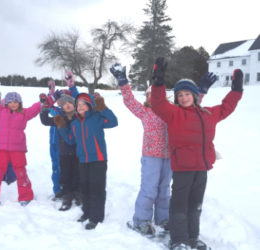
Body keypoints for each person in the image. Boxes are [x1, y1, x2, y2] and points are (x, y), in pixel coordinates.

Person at [150, 58, 243, 250]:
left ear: (194, 95)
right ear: (176, 98)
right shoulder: (173, 114)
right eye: (180, 95)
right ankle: (178, 240)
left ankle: (193, 238)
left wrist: (236, 90)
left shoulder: (208, 113)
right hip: (183, 168)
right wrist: (158, 81)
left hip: (202, 168)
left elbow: (227, 107)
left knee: (195, 206)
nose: (183, 97)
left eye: (187, 94)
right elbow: (158, 103)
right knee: (180, 206)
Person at [0, 70, 58, 209]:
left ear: (19, 103)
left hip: (17, 149)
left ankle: (26, 196)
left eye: (16, 102)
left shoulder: (25, 113)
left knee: (21, 172)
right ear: (6, 103)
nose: (13, 104)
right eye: (10, 102)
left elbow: (40, 105)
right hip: (0, 149)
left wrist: (52, 96)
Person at [110, 63, 171, 236]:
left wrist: (201, 92)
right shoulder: (145, 111)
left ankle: (163, 218)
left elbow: (190, 108)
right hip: (151, 156)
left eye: (157, 94)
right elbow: (129, 101)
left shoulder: (171, 111)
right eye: (150, 94)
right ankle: (142, 220)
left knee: (164, 189)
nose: (153, 97)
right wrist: (123, 82)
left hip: (168, 156)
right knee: (149, 188)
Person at [55, 92, 118, 230]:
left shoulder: (97, 118)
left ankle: (96, 217)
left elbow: (114, 122)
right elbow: (71, 140)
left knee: (97, 189)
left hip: (98, 159)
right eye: (78, 104)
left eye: (83, 104)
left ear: (89, 106)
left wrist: (103, 108)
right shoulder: (75, 123)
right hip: (83, 160)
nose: (80, 106)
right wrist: (61, 127)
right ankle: (87, 213)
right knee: (85, 188)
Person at [40, 72, 81, 210]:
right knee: (59, 169)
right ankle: (61, 190)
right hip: (57, 144)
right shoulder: (57, 112)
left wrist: (72, 86)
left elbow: (79, 101)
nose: (65, 103)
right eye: (61, 99)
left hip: (74, 148)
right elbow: (46, 112)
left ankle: (76, 191)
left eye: (68, 100)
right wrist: (51, 94)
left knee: (75, 170)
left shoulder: (77, 114)